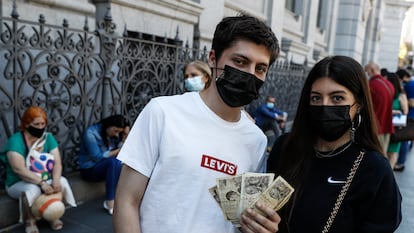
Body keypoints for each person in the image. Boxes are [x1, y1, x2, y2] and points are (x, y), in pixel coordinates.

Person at [113, 14, 281, 233]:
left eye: (260, 68)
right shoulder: (163, 112)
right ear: (213, 58)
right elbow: (127, 200)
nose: (249, 74)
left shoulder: (256, 140)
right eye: (240, 61)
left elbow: (240, 220)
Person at [267, 56, 402, 233]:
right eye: (316, 98)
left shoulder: (374, 169)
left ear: (359, 104)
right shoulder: (285, 148)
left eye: (337, 98)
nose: (324, 106)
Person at [0, 106, 76, 233]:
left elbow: (57, 162)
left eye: (43, 124)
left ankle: (52, 214)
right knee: (32, 189)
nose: (40, 127)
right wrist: (42, 183)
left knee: (62, 181)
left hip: (46, 177)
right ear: (27, 124)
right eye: (36, 124)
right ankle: (30, 220)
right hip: (18, 182)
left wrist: (56, 181)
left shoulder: (48, 138)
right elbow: (18, 169)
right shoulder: (16, 141)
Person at [78, 114, 129, 215]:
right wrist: (119, 150)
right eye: (115, 131)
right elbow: (97, 157)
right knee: (114, 162)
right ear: (109, 126)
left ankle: (122, 195)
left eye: (119, 132)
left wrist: (125, 138)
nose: (116, 135)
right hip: (89, 169)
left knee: (121, 161)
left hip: (107, 166)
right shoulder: (91, 133)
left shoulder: (115, 135)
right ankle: (110, 201)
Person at [364, 61, 395, 153]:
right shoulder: (389, 84)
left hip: (375, 128)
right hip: (387, 126)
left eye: (367, 72)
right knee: (382, 155)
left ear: (372, 70)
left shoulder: (371, 85)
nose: (367, 75)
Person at [386, 72, 408, 169]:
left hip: (396, 127)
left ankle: (390, 172)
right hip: (385, 125)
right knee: (385, 151)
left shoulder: (400, 95)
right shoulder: (388, 93)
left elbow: (405, 111)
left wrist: (396, 110)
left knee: (392, 152)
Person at [395, 68, 414, 171]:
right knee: (406, 140)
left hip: (409, 116)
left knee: (404, 140)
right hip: (410, 116)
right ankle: (401, 162)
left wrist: (404, 99)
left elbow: (412, 102)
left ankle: (400, 163)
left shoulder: (410, 85)